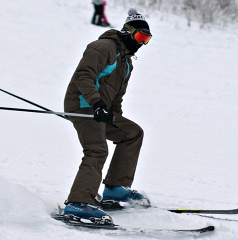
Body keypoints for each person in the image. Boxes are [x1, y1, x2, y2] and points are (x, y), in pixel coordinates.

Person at [64, 8, 152, 225]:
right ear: (128, 32)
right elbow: (83, 76)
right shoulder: (103, 48)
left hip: (101, 109)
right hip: (83, 104)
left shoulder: (127, 63)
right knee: (97, 149)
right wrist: (96, 104)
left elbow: (115, 99)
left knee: (131, 133)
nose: (142, 43)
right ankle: (78, 202)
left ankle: (115, 188)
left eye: (147, 39)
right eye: (141, 37)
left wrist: (115, 120)